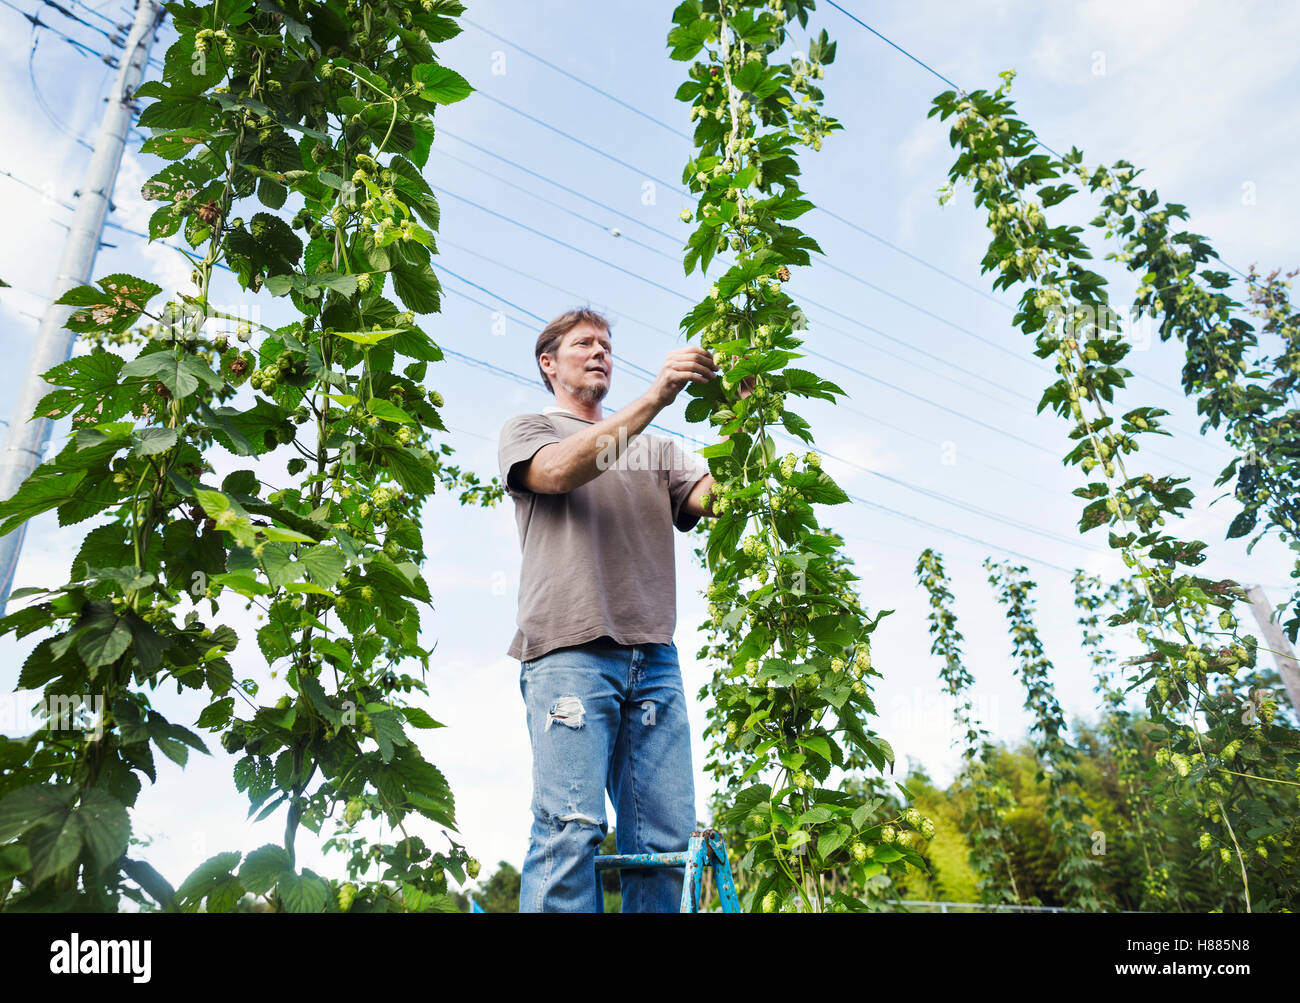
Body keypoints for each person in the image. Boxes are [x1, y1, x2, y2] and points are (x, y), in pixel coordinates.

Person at [497, 306, 729, 913]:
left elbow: (718, 500)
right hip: (569, 654)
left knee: (664, 841)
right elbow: (559, 473)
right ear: (548, 363)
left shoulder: (658, 450)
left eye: (606, 343)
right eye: (584, 343)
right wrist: (656, 396)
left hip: (653, 659)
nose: (600, 351)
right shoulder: (531, 430)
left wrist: (745, 413)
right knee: (570, 828)